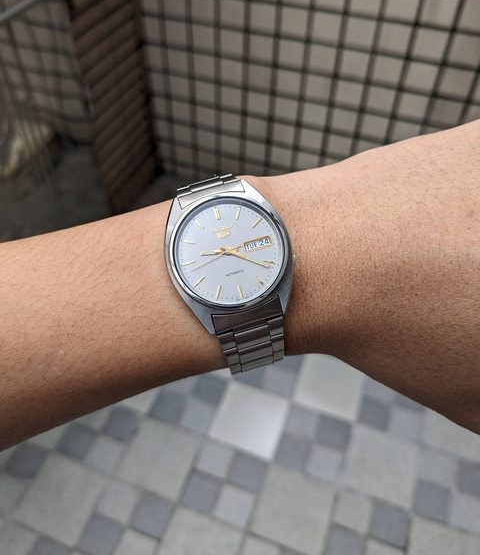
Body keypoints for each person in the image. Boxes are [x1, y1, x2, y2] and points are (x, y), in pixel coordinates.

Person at [0, 121, 479, 450]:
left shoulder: (252, 242)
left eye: (235, 246)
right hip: (226, 297)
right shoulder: (191, 260)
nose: (228, 251)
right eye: (219, 251)